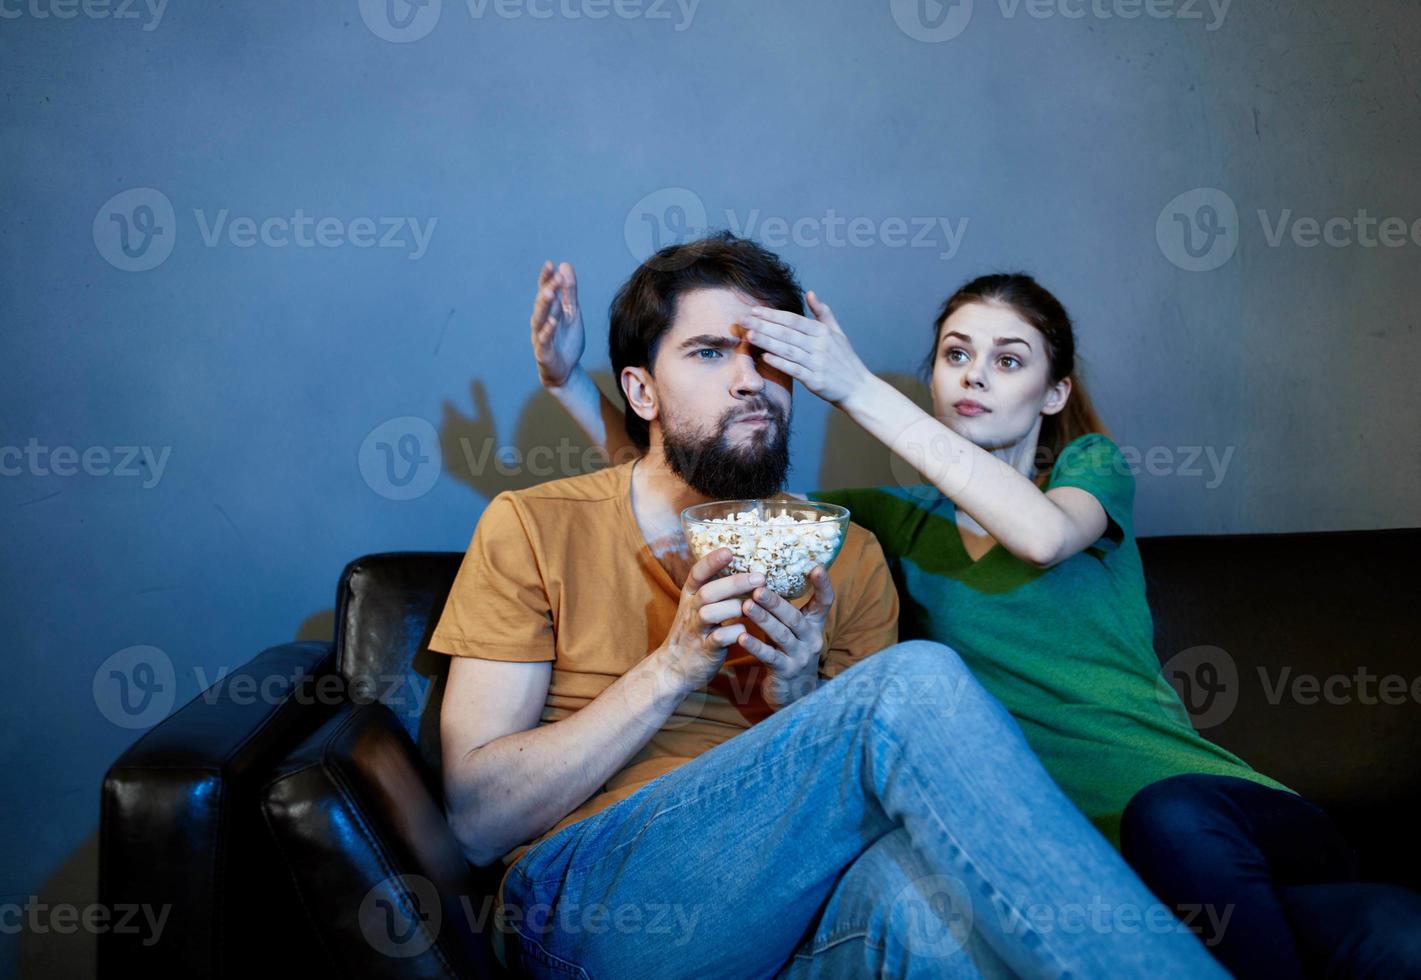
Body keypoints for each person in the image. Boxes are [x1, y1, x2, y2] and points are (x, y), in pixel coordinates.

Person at [534, 249, 1421, 978]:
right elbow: (699, 477)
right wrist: (575, 386)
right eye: (955, 354)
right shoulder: (884, 526)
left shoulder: (1087, 476)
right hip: (1070, 865)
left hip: (1212, 820)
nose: (974, 376)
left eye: (1008, 360)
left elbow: (1035, 536)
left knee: (1175, 819)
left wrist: (849, 386)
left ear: (1053, 393)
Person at [431, 233, 1229, 979]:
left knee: (931, 906)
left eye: (769, 355)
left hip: (788, 908)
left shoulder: (841, 549)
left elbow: (840, 789)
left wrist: (798, 692)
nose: (750, 380)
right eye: (709, 353)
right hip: (602, 904)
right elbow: (476, 822)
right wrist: (671, 668)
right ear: (639, 390)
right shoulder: (532, 527)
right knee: (910, 684)